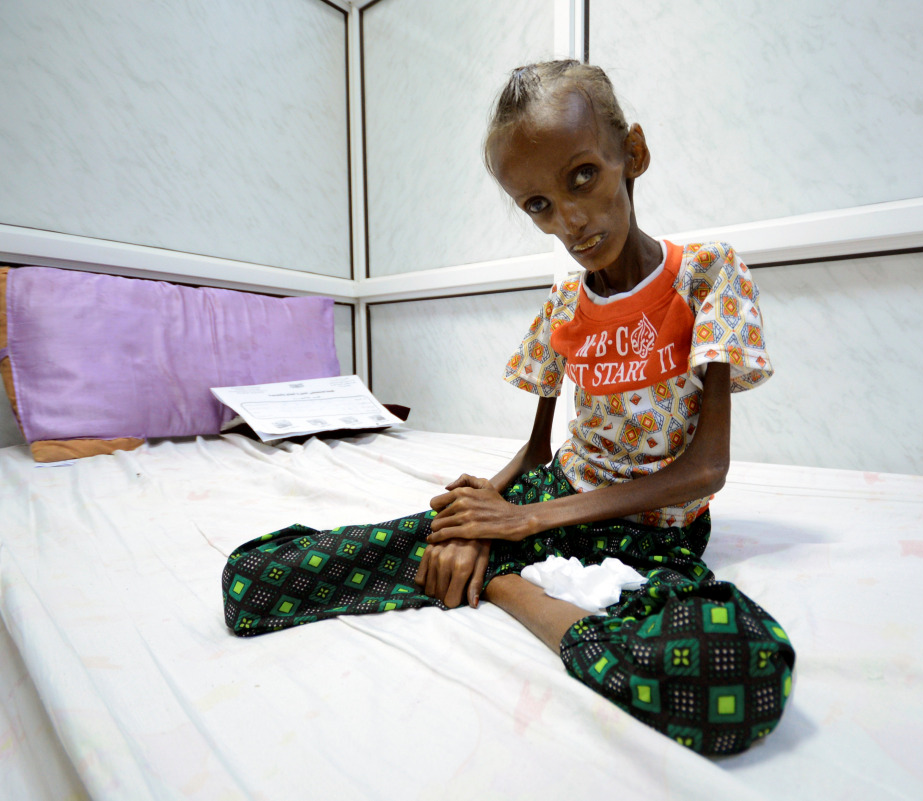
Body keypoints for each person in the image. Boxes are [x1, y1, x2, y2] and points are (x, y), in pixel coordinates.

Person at [221, 59, 793, 756]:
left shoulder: (706, 274)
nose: (571, 221)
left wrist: (519, 523)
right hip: (551, 499)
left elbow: (706, 470)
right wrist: (480, 510)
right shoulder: (563, 304)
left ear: (631, 155)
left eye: (582, 175)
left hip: (655, 532)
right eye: (539, 205)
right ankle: (506, 570)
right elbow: (538, 452)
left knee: (740, 675)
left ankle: (507, 589)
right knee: (251, 583)